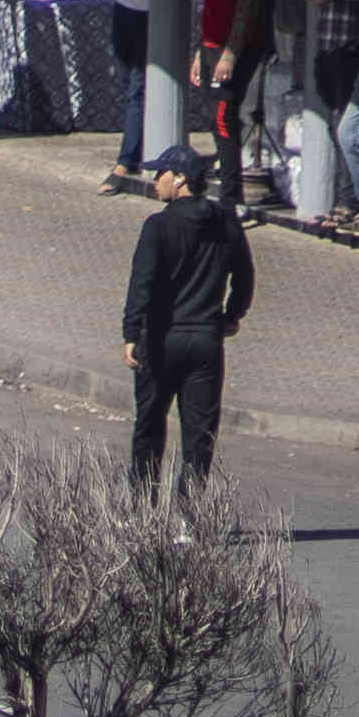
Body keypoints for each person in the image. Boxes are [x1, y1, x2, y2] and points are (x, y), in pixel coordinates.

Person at [135, 151, 262, 494]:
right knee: (199, 434)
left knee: (150, 426)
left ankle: (140, 515)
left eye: (159, 172)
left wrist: (131, 333)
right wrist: (231, 316)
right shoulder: (225, 221)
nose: (154, 180)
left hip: (161, 340)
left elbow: (142, 284)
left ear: (179, 178)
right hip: (206, 340)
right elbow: (245, 276)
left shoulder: (158, 225)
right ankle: (187, 522)